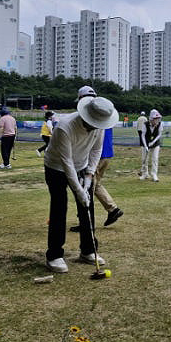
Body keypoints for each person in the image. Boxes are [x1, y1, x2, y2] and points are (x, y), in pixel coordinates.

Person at [43, 95, 118, 273]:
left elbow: (96, 150)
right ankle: (54, 255)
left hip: (82, 166)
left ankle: (88, 251)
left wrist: (89, 176)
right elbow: (66, 162)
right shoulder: (65, 127)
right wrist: (79, 190)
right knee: (59, 206)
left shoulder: (100, 125)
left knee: (87, 207)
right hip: (56, 167)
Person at [70, 87, 123, 232]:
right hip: (106, 154)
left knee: (86, 187)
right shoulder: (104, 108)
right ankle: (112, 209)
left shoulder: (90, 113)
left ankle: (87, 222)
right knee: (95, 184)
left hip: (96, 156)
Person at [140, 109, 162, 181]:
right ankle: (145, 174)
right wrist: (145, 146)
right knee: (144, 159)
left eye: (158, 118)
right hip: (145, 143)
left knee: (155, 158)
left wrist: (153, 142)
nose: (157, 120)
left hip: (155, 144)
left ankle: (154, 174)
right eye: (155, 119)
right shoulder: (145, 124)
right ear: (151, 119)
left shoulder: (160, 124)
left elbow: (159, 135)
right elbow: (142, 135)